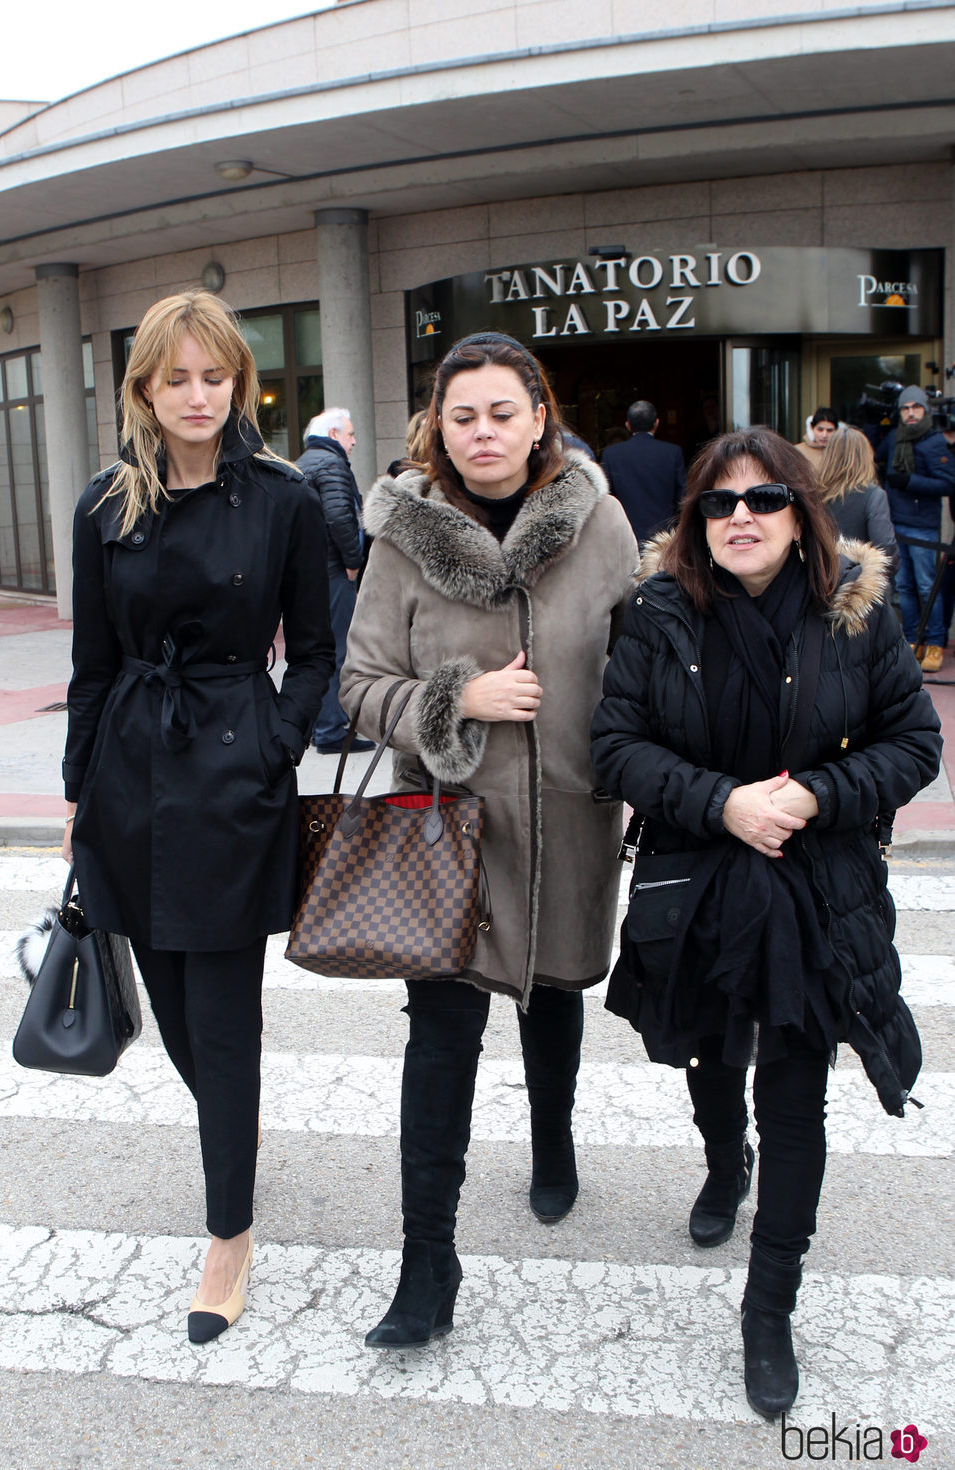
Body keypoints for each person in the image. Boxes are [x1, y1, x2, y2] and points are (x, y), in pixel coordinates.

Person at [591, 427, 940, 1419]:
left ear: (801, 511)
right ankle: (719, 1161)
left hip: (814, 894)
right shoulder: (657, 613)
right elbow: (614, 745)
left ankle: (767, 1306)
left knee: (795, 1095)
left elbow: (912, 741)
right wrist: (721, 803)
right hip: (697, 885)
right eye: (717, 502)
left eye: (762, 499)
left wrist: (817, 796)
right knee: (709, 1059)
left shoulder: (852, 616)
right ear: (695, 519)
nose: (739, 517)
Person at [339, 331, 639, 1349]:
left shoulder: (595, 521)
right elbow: (357, 684)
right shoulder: (402, 532)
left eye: (501, 412)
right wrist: (457, 697)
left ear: (538, 416)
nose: (481, 433)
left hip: (567, 814)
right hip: (448, 831)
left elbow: (640, 662)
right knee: (439, 1042)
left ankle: (551, 1139)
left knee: (552, 993)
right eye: (461, 415)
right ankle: (428, 1261)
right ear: (437, 424)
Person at [62, 291, 335, 1344]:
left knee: (222, 1024)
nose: (194, 395)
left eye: (212, 376)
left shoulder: (281, 499)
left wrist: (276, 741)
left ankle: (229, 1231)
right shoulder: (104, 505)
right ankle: (237, 1135)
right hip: (130, 774)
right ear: (143, 387)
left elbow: (314, 650)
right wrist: (82, 792)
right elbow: (90, 667)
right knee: (176, 1018)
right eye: (174, 377)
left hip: (232, 774)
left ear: (240, 385)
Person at [297, 407, 374, 754]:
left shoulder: (304, 462)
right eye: (350, 434)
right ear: (333, 435)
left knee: (316, 651)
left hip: (311, 574)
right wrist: (354, 563)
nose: (354, 441)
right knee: (337, 652)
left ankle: (318, 726)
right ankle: (330, 730)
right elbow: (341, 518)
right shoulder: (331, 464)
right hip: (333, 571)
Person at [875, 384, 955, 673]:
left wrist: (909, 482)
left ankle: (933, 642)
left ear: (925, 410)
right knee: (905, 588)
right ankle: (911, 639)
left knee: (926, 586)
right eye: (905, 408)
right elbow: (875, 455)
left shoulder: (934, 442)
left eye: (916, 407)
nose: (910, 413)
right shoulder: (895, 436)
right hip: (896, 523)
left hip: (923, 527)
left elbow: (949, 483)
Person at [601, 399, 686, 546]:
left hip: (624, 537)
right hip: (663, 538)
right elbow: (683, 498)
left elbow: (604, 499)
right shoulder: (672, 453)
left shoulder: (611, 454)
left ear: (628, 425)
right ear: (656, 423)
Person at [816, 425, 897, 567]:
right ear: (866, 456)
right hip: (857, 582)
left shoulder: (813, 493)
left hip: (821, 579)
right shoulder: (873, 496)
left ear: (829, 455)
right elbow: (885, 550)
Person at [794, 406, 838, 472]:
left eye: (829, 430)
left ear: (836, 430)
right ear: (812, 428)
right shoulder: (797, 451)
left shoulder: (843, 452)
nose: (824, 435)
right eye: (820, 430)